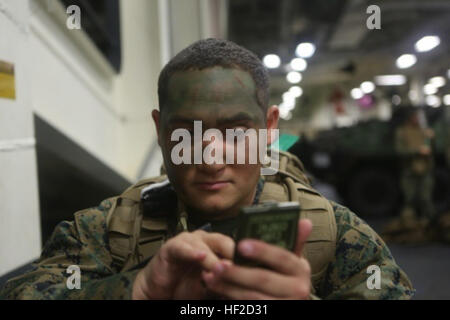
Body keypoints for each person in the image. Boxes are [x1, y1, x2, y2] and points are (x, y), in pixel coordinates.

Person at [0, 39, 413, 300]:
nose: (212, 159)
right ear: (160, 130)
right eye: (187, 134)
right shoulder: (107, 232)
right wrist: (136, 290)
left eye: (235, 132)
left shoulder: (334, 234)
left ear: (269, 128)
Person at [395, 110, 435, 230]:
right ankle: (409, 226)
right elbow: (400, 151)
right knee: (410, 199)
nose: (417, 119)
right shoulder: (402, 131)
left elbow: (430, 148)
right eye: (415, 117)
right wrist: (417, 151)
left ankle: (428, 224)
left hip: (425, 169)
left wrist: (431, 139)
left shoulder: (424, 131)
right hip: (409, 170)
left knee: (425, 198)